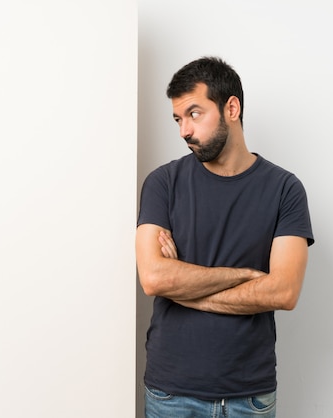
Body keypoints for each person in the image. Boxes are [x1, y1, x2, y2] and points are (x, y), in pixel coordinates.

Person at [136, 56, 315, 418]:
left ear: (231, 107)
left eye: (194, 113)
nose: (184, 130)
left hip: (249, 394)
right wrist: (245, 275)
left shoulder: (285, 189)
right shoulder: (163, 183)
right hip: (172, 392)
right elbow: (155, 278)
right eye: (177, 119)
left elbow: (283, 291)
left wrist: (186, 288)